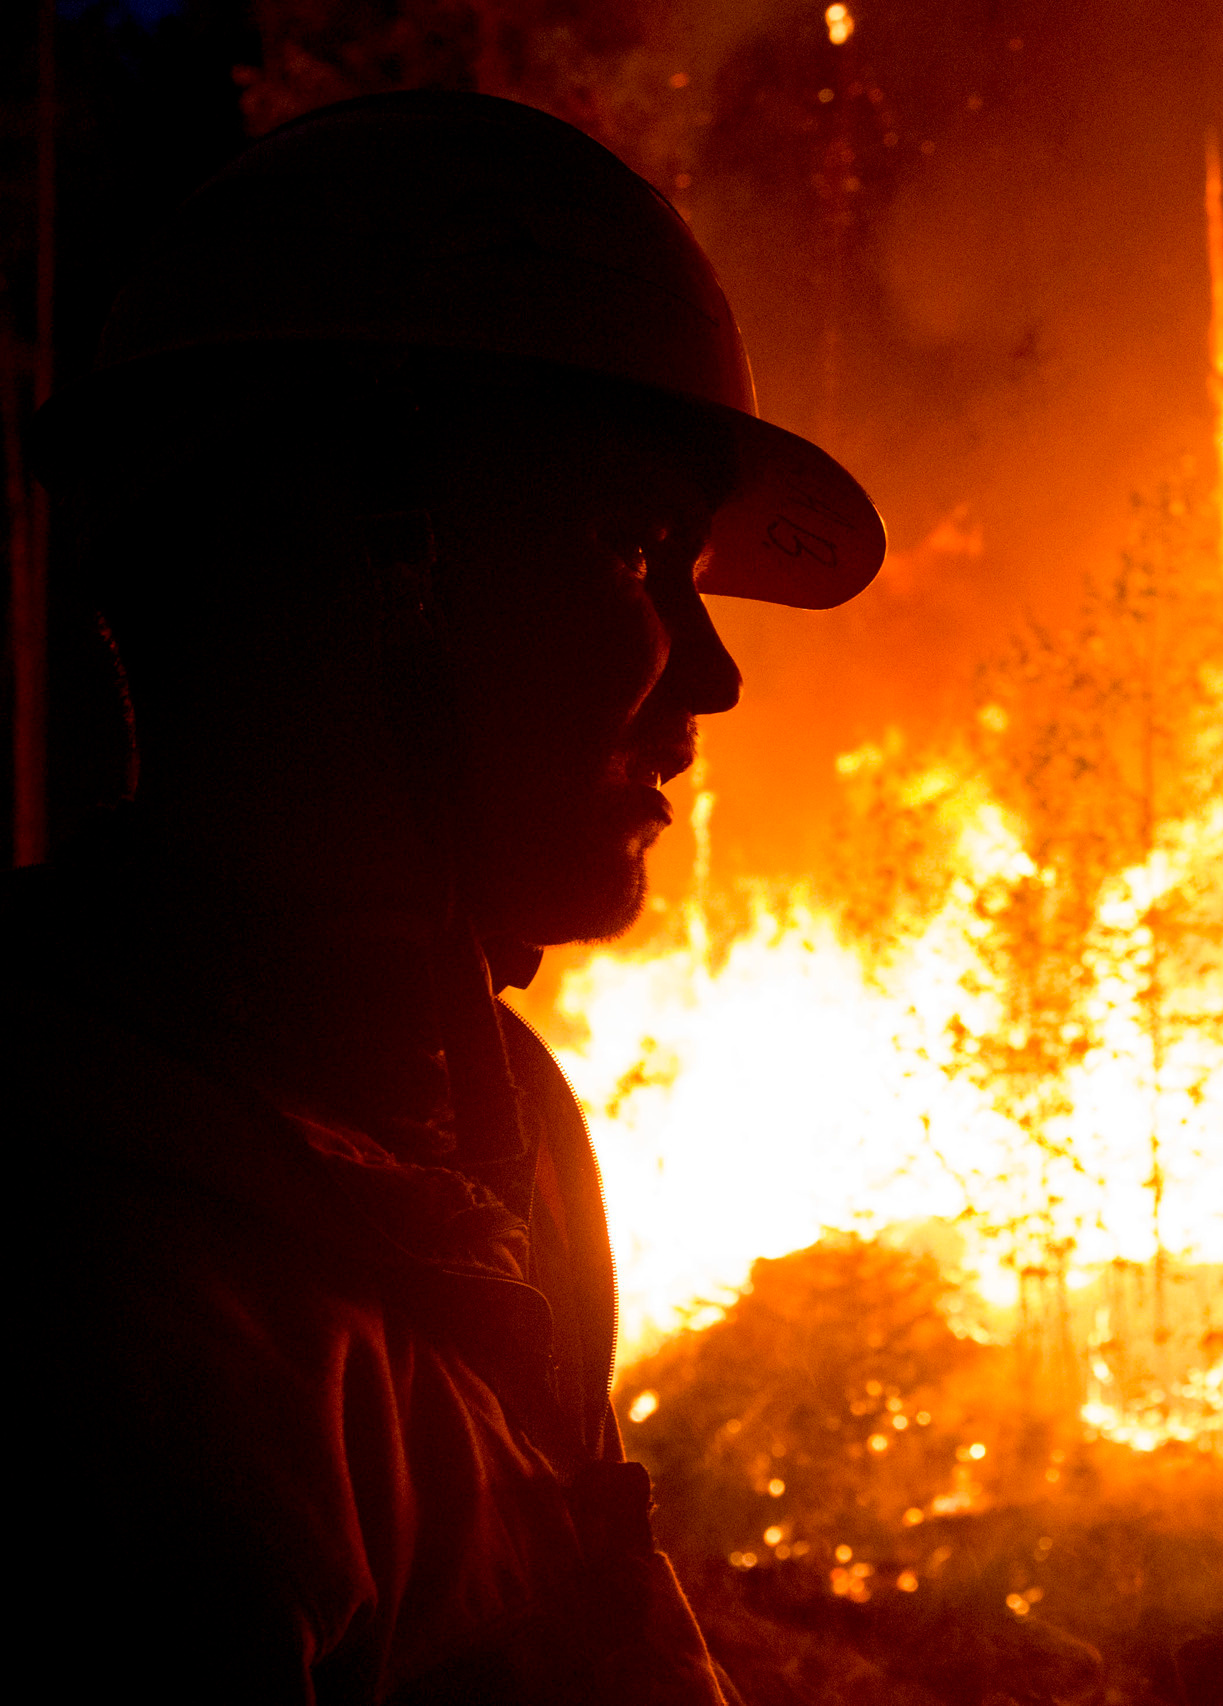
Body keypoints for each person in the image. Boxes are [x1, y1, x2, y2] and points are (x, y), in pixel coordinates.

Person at [9, 91, 883, 1702]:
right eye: (631, 552)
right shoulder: (95, 1304)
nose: (711, 674)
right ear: (362, 565)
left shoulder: (505, 1133)